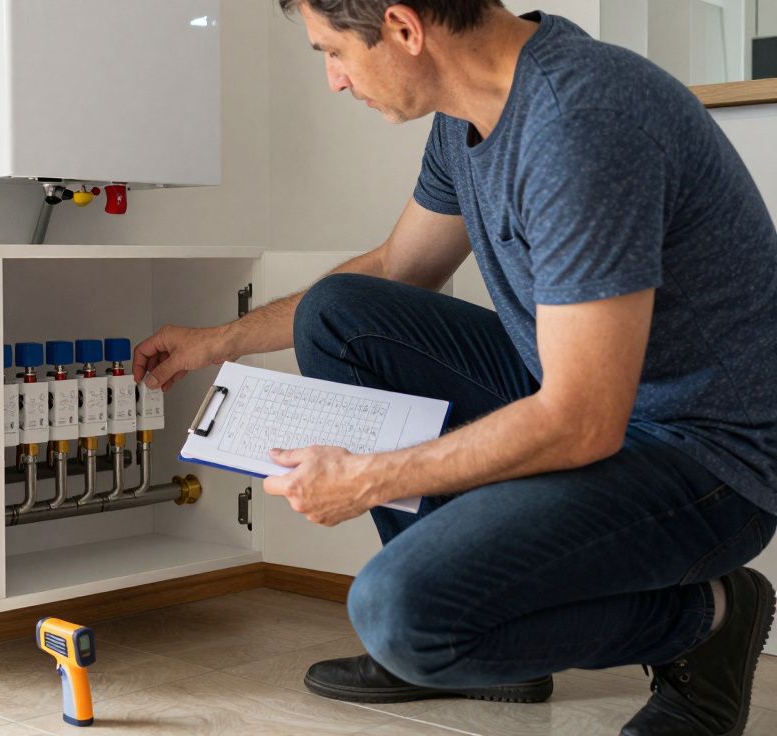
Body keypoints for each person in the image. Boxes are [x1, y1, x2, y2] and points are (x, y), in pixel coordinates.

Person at [131, 2, 777, 734]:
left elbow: (582, 422)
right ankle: (491, 644)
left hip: (706, 460)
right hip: (589, 399)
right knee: (339, 312)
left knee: (399, 614)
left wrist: (368, 478)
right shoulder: (467, 116)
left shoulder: (580, 124)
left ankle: (707, 622)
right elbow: (395, 269)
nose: (334, 79)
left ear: (404, 28)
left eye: (333, 51)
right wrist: (219, 340)